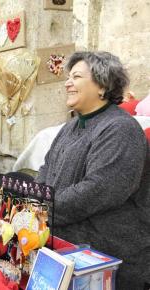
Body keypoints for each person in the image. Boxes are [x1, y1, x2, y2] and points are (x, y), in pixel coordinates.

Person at [36, 51, 150, 289]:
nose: (67, 83)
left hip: (107, 255)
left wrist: (42, 208)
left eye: (76, 76)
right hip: (69, 245)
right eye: (68, 77)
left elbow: (97, 190)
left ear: (102, 85)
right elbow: (46, 168)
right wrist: (36, 201)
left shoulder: (121, 129)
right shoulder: (70, 127)